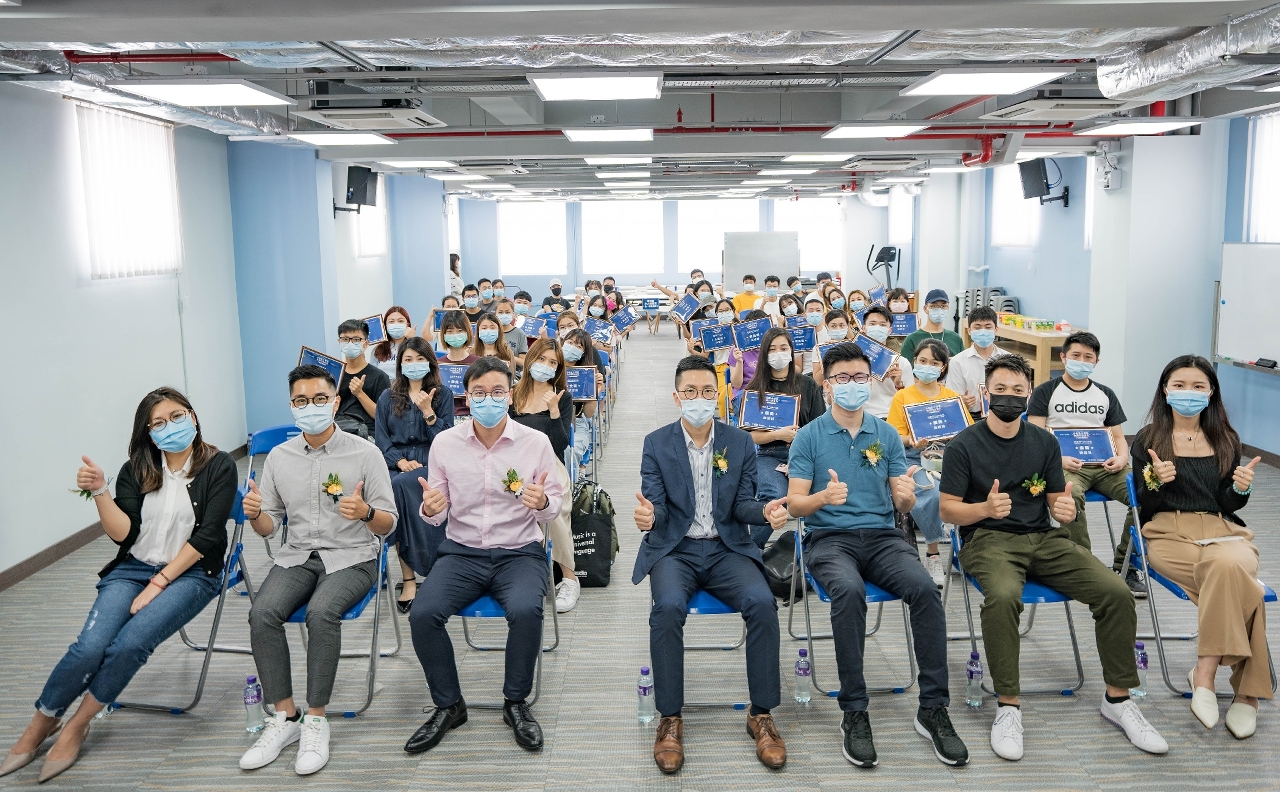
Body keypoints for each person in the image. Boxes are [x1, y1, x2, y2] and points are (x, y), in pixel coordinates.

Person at [938, 353, 1166, 762]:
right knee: (1003, 597)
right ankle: (1008, 706)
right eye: (1000, 389)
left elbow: (1058, 500)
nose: (1009, 397)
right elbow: (947, 510)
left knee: (1115, 592)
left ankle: (1118, 699)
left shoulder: (1044, 442)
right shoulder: (964, 444)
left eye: (1018, 390)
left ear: (1029, 395)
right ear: (985, 393)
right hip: (988, 540)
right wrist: (985, 509)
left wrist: (1064, 508)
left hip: (1043, 538)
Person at [1, 389, 235, 783]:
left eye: (177, 416)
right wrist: (100, 491)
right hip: (132, 568)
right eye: (158, 423)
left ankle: (77, 725)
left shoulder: (219, 465)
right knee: (89, 648)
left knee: (129, 644)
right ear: (149, 433)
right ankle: (43, 721)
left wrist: (160, 582)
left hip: (193, 573)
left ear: (193, 417)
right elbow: (125, 535)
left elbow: (209, 535)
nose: (170, 427)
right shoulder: (138, 468)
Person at [785, 343, 968, 769]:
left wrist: (906, 497)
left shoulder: (885, 434)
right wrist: (822, 498)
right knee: (848, 592)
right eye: (842, 378)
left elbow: (902, 503)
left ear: (871, 382)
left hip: (884, 538)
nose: (852, 385)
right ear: (828, 385)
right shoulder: (809, 437)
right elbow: (794, 505)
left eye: (860, 377)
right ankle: (854, 710)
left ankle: (933, 707)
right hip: (830, 538)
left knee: (925, 589)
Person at [633, 355, 790, 773]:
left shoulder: (737, 442)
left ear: (718, 395)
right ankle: (670, 717)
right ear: (677, 397)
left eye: (706, 391)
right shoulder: (657, 443)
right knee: (667, 608)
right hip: (676, 549)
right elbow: (657, 506)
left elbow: (742, 505)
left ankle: (761, 713)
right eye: (690, 391)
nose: (698, 398)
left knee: (762, 603)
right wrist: (649, 517)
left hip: (725, 549)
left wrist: (766, 512)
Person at [239, 365, 397, 775]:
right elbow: (269, 527)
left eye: (320, 399)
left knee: (322, 612)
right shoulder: (279, 457)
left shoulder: (365, 454)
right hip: (297, 555)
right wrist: (255, 514)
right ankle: (285, 716)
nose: (311, 407)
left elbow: (388, 524)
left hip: (353, 556)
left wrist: (366, 512)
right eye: (301, 401)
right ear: (292, 406)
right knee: (262, 613)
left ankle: (316, 720)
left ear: (336, 402)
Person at [405, 358, 564, 754]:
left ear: (509, 396)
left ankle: (515, 702)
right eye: (479, 393)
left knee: (527, 610)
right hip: (461, 553)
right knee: (423, 614)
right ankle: (449, 705)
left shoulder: (535, 443)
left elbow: (553, 508)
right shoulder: (446, 444)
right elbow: (436, 511)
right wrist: (430, 508)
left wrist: (542, 502)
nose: (488, 400)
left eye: (496, 392)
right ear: (467, 397)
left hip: (519, 551)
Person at [1132, 355, 1269, 738]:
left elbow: (1227, 503)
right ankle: (1248, 694)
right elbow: (1143, 503)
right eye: (1179, 385)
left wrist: (1240, 489)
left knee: (1228, 567)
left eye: (1198, 386)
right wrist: (1156, 481)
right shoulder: (1149, 439)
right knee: (1244, 586)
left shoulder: (1226, 439)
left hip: (1221, 529)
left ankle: (1205, 674)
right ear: (1165, 389)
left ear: (1211, 393)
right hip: (1167, 531)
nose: (1188, 393)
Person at [1027, 331, 1141, 593]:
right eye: (1075, 355)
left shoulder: (1105, 394)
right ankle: (1083, 565)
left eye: (1088, 357)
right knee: (1071, 496)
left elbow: (1119, 437)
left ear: (1096, 362)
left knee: (1145, 492)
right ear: (1063, 357)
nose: (1081, 361)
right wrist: (1058, 459)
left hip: (1105, 466)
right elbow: (1034, 435)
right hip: (1064, 466)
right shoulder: (1046, 391)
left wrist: (1122, 457)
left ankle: (1126, 566)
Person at [374, 338, 455, 612]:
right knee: (396, 486)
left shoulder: (443, 395)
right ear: (400, 364)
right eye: (408, 359)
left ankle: (435, 574)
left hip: (434, 462)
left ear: (430, 362)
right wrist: (399, 461)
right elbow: (381, 440)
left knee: (404, 488)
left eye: (420, 359)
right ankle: (408, 578)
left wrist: (428, 412)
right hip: (396, 464)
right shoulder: (387, 397)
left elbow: (447, 440)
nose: (414, 364)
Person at [887, 340, 972, 587]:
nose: (927, 366)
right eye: (922, 361)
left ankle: (968, 550)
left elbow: (968, 433)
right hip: (914, 458)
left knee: (976, 489)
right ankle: (933, 554)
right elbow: (894, 436)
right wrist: (912, 441)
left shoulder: (952, 398)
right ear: (914, 362)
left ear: (943, 367)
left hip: (949, 458)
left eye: (934, 363)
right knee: (932, 493)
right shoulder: (903, 396)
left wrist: (955, 438)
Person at [509, 338, 580, 613]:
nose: (546, 366)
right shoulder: (513, 393)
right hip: (515, 467)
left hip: (550, 465)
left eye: (552, 362)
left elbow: (561, 444)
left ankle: (569, 578)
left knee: (554, 508)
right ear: (530, 360)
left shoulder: (562, 396)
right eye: (541, 359)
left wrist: (553, 412)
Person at [742, 328, 825, 549]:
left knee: (823, 491)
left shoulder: (807, 385)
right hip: (769, 455)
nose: (778, 353)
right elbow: (748, 437)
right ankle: (751, 550)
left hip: (806, 456)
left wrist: (799, 459)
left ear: (791, 351)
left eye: (783, 348)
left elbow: (819, 429)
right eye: (772, 349)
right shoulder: (755, 389)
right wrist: (777, 435)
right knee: (777, 495)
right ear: (764, 354)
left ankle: (818, 548)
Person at [946, 306, 1007, 421]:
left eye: (988, 327)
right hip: (972, 416)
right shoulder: (958, 361)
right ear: (969, 331)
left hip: (1002, 415)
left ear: (996, 330)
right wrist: (961, 402)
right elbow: (952, 399)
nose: (983, 331)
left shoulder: (1008, 359)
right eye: (977, 327)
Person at [335, 318, 391, 440]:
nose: (350, 343)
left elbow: (381, 416)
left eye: (356, 339)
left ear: (365, 344)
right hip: (337, 431)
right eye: (345, 339)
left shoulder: (380, 377)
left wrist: (359, 393)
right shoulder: (334, 373)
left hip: (366, 435)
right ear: (339, 342)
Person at [561, 327, 606, 471]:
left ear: (583, 352)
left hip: (576, 423)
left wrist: (595, 389)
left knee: (568, 451)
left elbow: (588, 413)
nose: (573, 347)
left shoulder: (587, 375)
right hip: (549, 419)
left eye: (579, 346)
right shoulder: (552, 369)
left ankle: (569, 482)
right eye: (570, 342)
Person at [856, 306, 912, 420]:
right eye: (872, 324)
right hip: (860, 415)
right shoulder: (852, 360)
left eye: (882, 325)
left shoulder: (901, 362)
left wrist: (899, 384)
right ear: (864, 328)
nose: (877, 328)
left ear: (889, 330)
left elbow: (910, 399)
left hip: (890, 416)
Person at [901, 289, 963, 364]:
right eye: (934, 306)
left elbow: (963, 365)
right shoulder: (912, 339)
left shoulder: (956, 339)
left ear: (948, 308)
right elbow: (906, 368)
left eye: (943, 306)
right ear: (925, 309)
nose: (939, 309)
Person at [437, 311, 479, 423]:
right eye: (450, 331)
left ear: (467, 332)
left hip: (472, 418)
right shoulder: (438, 365)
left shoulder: (478, 363)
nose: (455, 335)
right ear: (444, 335)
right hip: (445, 418)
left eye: (460, 331)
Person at [370, 305, 415, 380]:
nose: (396, 324)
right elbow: (372, 375)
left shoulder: (415, 346)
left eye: (400, 321)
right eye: (391, 322)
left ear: (408, 324)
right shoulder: (378, 349)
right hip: (383, 387)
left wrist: (413, 340)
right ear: (385, 325)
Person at [494, 299, 530, 367]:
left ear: (513, 314)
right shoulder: (491, 333)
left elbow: (523, 362)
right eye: (500, 312)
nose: (504, 315)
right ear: (495, 314)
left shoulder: (520, 334)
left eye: (507, 312)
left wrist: (508, 356)